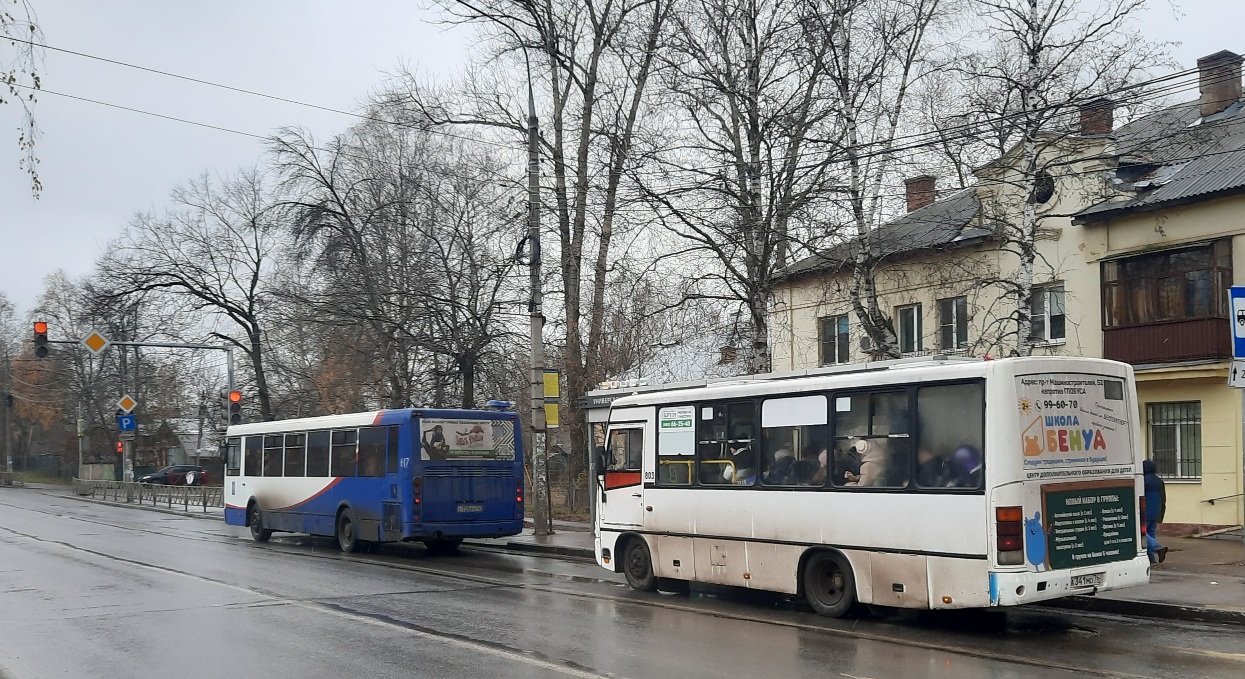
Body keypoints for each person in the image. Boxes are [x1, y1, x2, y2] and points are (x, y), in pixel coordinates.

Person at [1143, 459, 1168, 563]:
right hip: (1156, 513)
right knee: (1151, 535)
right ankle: (1151, 559)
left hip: (1145, 513)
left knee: (1142, 535)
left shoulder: (1143, 481)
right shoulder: (1159, 481)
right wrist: (1161, 515)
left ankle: (1159, 548)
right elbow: (1163, 499)